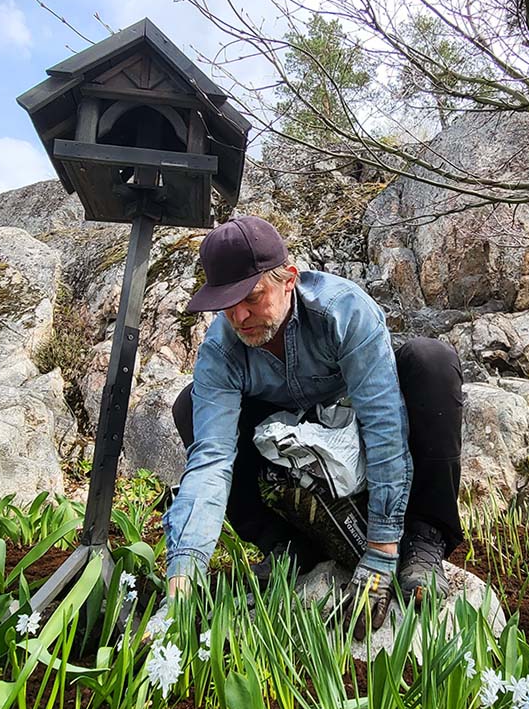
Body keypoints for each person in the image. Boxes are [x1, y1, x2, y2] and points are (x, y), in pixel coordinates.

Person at [162, 216, 463, 638]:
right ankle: (286, 548)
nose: (240, 316)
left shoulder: (342, 310)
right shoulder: (222, 349)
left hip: (355, 422)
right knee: (190, 405)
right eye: (226, 304)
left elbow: (384, 427)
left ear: (289, 279)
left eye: (251, 296)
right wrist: (185, 568)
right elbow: (211, 460)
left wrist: (380, 552)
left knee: (431, 361)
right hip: (289, 437)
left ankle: (423, 537)